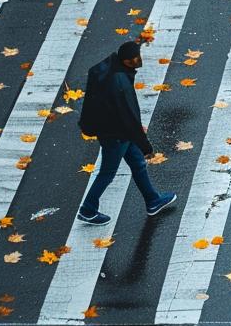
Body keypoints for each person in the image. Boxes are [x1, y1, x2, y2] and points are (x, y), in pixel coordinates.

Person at [75, 41, 176, 225]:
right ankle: (88, 209)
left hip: (113, 128)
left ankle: (152, 201)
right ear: (128, 61)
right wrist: (147, 147)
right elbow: (129, 118)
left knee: (137, 163)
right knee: (108, 172)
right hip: (116, 134)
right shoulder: (120, 83)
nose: (140, 60)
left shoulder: (109, 68)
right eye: (137, 57)